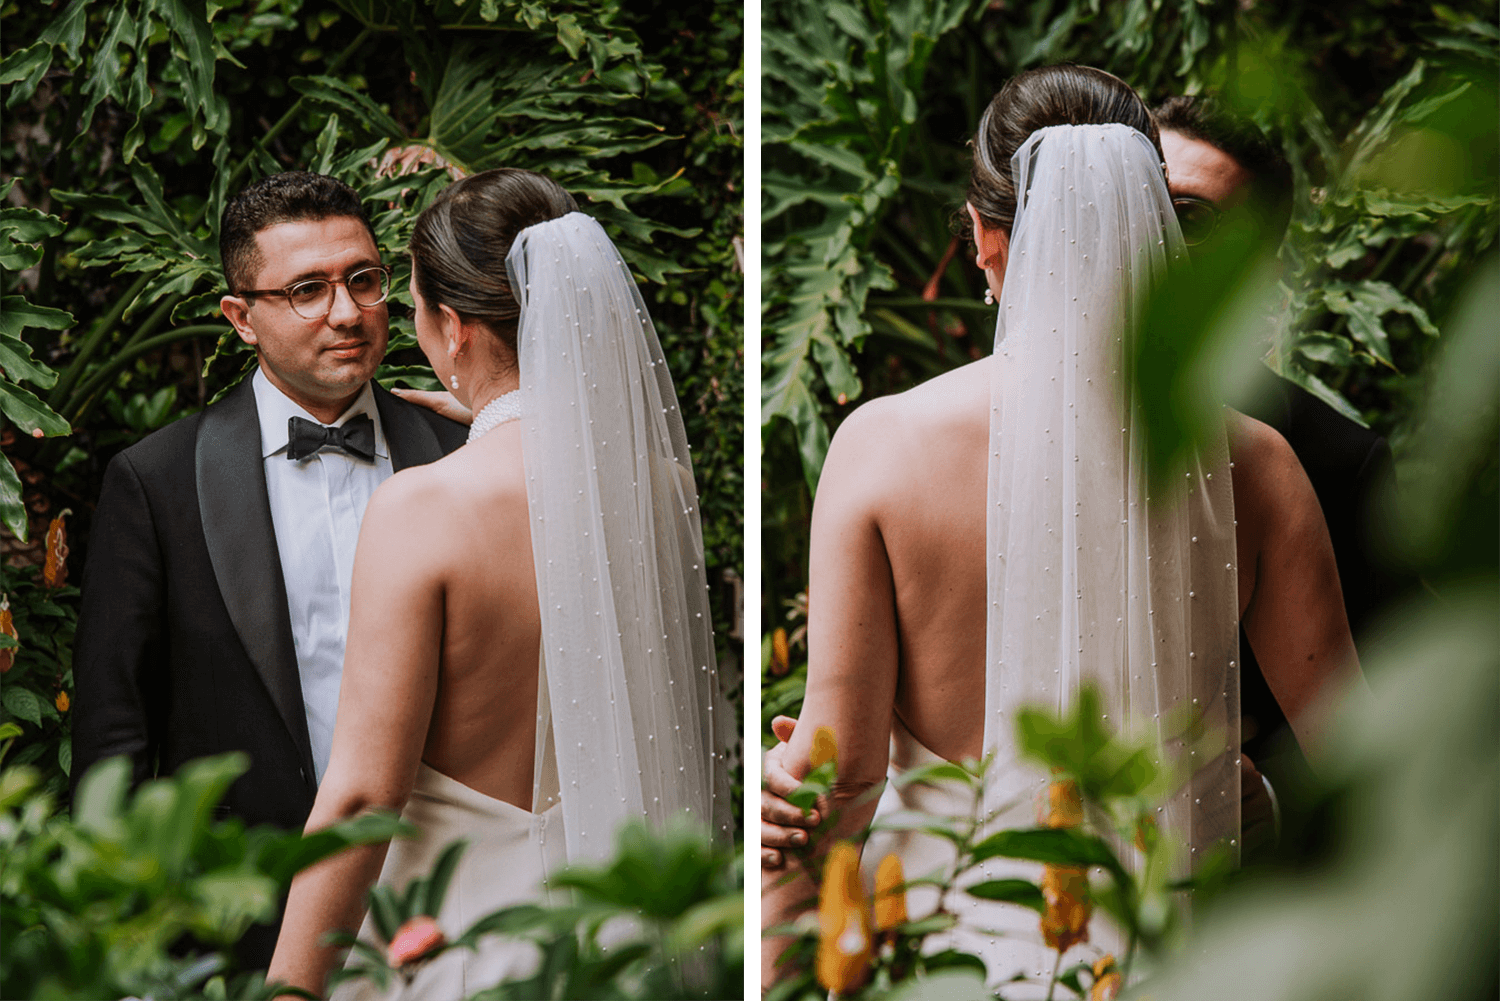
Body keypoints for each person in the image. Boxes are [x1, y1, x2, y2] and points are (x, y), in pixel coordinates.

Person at [758, 64, 1365, 995]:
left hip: (947, 963)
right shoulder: (1259, 463)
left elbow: (837, 785)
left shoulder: (880, 449)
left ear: (982, 234)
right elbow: (1360, 771)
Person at [266, 168, 729, 999]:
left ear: (454, 328)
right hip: (620, 939)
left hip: (462, 948)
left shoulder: (421, 509)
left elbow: (364, 794)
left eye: (413, 305)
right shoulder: (661, 487)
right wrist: (507, 415)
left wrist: (289, 991)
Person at [70, 171, 468, 970]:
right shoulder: (157, 481)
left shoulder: (463, 455)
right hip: (240, 921)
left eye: (363, 279)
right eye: (307, 290)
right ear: (241, 317)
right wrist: (127, 946)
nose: (347, 311)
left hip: (451, 898)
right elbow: (114, 736)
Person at [1155, 95, 1404, 797]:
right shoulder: (970, 428)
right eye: (1138, 196)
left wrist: (1268, 801)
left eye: (1190, 218)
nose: (1151, 229)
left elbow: (1371, 727)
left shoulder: (1336, 461)